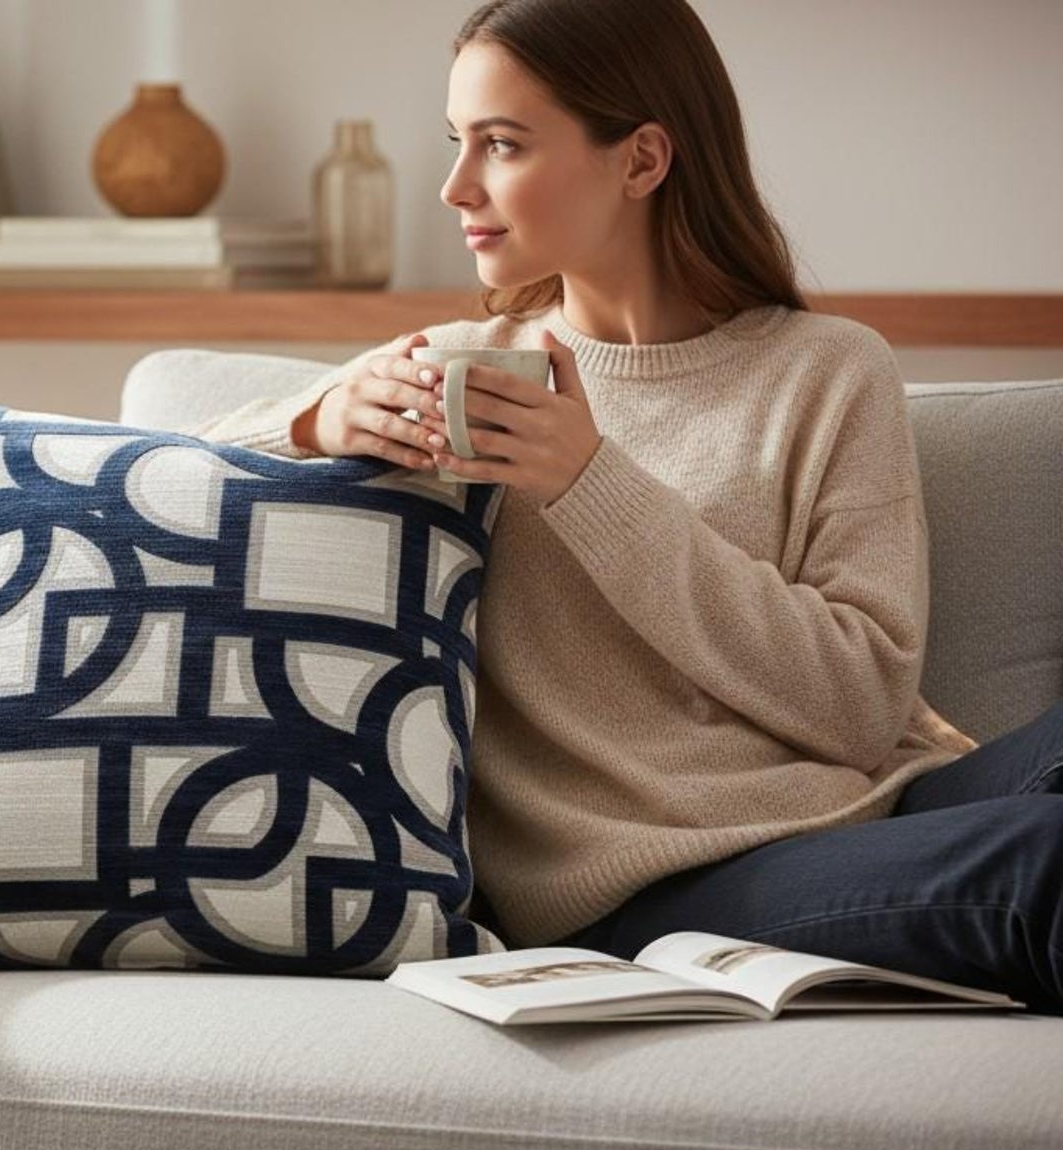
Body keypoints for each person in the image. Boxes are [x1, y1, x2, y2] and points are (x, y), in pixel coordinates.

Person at [189, 0, 1063, 1014]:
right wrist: (318, 418)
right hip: (647, 881)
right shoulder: (467, 380)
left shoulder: (827, 369)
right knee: (1045, 859)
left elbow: (862, 704)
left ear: (641, 159)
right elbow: (168, 465)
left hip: (867, 805)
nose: (455, 186)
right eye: (456, 141)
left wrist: (590, 482)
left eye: (500, 144)